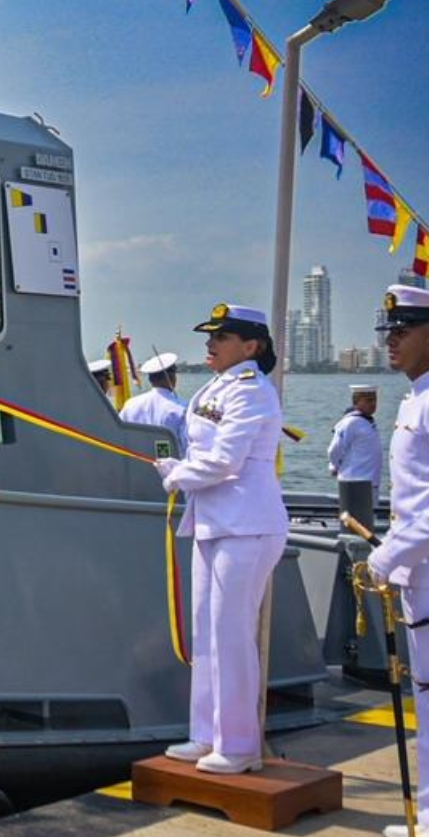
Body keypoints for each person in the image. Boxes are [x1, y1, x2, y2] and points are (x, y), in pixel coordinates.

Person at [155, 302, 289, 775]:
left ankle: (239, 745)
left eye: (223, 336)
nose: (211, 343)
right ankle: (206, 734)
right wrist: (182, 470)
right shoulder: (218, 386)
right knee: (207, 633)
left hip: (247, 525)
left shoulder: (252, 390)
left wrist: (179, 475)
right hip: (213, 522)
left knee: (233, 635)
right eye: (211, 335)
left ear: (251, 346)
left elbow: (226, 461)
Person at [364, 286, 429, 837]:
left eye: (403, 330)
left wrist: (385, 558)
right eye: (389, 331)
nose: (392, 341)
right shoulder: (415, 398)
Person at [328, 383, 383, 531]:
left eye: (374, 400)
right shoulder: (351, 422)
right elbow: (334, 450)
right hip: (355, 482)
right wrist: (335, 466)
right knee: (356, 526)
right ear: (356, 402)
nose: (373, 404)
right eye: (368, 400)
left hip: (369, 482)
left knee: (368, 522)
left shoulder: (367, 421)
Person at [119, 352, 187, 456]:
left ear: (150, 379)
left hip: (137, 465)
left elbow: (122, 436)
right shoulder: (181, 407)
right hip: (172, 468)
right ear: (172, 376)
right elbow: (187, 445)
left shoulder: (130, 404)